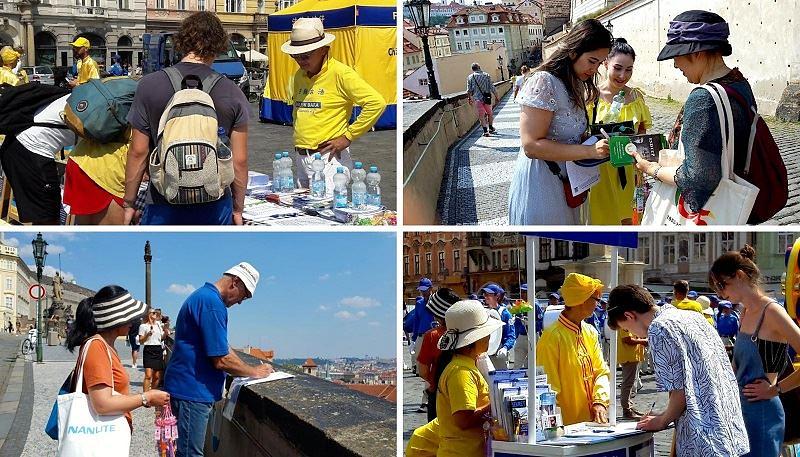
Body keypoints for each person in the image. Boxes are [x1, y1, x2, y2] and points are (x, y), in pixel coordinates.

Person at [628, 10, 759, 223]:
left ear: (696, 53)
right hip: (736, 203)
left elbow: (698, 177)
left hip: (706, 213)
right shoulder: (739, 83)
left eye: (676, 55)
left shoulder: (703, 99)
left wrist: (651, 169)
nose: (675, 64)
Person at [125, 12, 250, 225]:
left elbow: (138, 152)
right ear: (219, 44)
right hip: (215, 203)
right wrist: (238, 208)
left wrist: (129, 203)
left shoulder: (149, 85)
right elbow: (239, 161)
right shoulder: (232, 91)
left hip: (163, 200)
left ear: (182, 41)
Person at [606, 284, 749, 456]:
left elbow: (680, 389)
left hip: (702, 437)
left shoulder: (658, 328)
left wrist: (663, 420)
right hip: (729, 428)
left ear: (629, 315)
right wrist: (665, 413)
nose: (634, 334)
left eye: (627, 328)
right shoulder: (692, 317)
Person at [508, 19, 612, 225]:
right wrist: (590, 151)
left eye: (599, 63)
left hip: (567, 181)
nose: (595, 69)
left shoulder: (574, 82)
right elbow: (530, 146)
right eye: (592, 61)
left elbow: (568, 131)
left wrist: (591, 139)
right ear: (573, 52)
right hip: (542, 183)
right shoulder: (544, 81)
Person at [163, 262, 272, 457]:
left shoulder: (204, 297)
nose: (240, 302)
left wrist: (246, 366)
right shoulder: (213, 304)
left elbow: (221, 346)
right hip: (192, 392)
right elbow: (221, 359)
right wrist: (255, 372)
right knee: (190, 454)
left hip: (187, 388)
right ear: (235, 282)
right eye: (244, 296)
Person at [710, 245, 800, 455]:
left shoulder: (772, 311)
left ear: (740, 276)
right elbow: (738, 365)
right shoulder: (744, 311)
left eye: (722, 285)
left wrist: (775, 389)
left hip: (763, 414)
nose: (720, 292)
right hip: (741, 412)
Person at [280, 17, 385, 193]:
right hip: (301, 156)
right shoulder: (300, 75)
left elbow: (376, 103)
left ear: (323, 50)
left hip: (328, 158)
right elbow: (299, 110)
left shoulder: (341, 74)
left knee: (328, 214)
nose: (300, 60)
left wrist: (348, 136)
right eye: (295, 55)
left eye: (305, 55)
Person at [64, 285, 171, 453]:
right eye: (128, 317)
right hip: (98, 439)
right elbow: (102, 404)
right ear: (115, 319)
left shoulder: (105, 347)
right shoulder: (97, 347)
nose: (132, 322)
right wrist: (146, 397)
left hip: (106, 434)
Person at [406, 300, 503, 457]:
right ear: (472, 341)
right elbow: (463, 419)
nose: (489, 336)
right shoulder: (462, 371)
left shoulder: (465, 365)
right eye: (485, 333)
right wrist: (497, 403)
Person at [586, 38, 652, 225]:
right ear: (605, 63)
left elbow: (642, 134)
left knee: (629, 222)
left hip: (630, 171)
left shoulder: (636, 97)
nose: (623, 75)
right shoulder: (591, 97)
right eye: (618, 68)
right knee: (604, 222)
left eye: (629, 69)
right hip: (600, 173)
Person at [536, 273, 610, 426]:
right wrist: (555, 426)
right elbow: (548, 387)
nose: (597, 304)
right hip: (567, 427)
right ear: (581, 300)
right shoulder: (551, 337)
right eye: (595, 299)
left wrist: (600, 401)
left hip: (595, 424)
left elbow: (601, 371)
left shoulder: (590, 332)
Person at [0, 93, 74, 224]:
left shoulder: (78, 96)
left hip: (16, 142)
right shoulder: (100, 111)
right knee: (47, 213)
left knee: (45, 212)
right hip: (29, 149)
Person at [64, 131, 131, 225]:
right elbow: (139, 151)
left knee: (87, 234)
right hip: (110, 168)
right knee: (113, 236)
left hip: (80, 158)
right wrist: (130, 203)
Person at [417, 288, 461, 423]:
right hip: (462, 391)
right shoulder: (466, 333)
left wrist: (433, 380)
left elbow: (422, 370)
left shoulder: (432, 335)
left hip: (438, 392)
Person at [403, 277, 435, 412]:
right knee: (423, 370)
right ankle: (429, 395)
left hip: (433, 337)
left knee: (430, 369)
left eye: (425, 290)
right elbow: (416, 321)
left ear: (430, 289)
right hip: (422, 337)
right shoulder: (420, 303)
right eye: (421, 290)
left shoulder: (436, 302)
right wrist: (413, 339)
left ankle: (426, 401)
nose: (422, 293)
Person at [481, 284, 515, 369]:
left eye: (489, 294)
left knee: (501, 380)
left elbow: (511, 334)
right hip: (484, 352)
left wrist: (505, 347)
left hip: (499, 353)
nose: (486, 297)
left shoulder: (504, 313)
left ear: (497, 296)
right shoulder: (483, 311)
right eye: (485, 294)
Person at [617, 326, 648, 419]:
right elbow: (627, 339)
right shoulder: (624, 324)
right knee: (628, 383)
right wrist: (643, 341)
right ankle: (627, 410)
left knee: (630, 382)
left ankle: (629, 407)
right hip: (629, 356)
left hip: (631, 356)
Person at [466, 63, 499, 137]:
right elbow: (492, 87)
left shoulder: (470, 77)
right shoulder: (486, 75)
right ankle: (490, 127)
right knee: (490, 113)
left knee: (481, 116)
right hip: (487, 98)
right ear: (479, 67)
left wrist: (469, 98)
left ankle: (485, 131)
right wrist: (496, 96)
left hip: (477, 99)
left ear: (472, 69)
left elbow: (468, 90)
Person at [139, 308, 166, 391]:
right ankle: (145, 396)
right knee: (148, 375)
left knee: (157, 376)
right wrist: (147, 335)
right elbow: (141, 341)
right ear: (149, 314)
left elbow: (161, 338)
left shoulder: (158, 325)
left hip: (158, 349)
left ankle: (152, 393)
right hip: (149, 349)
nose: (156, 314)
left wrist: (165, 332)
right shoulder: (143, 326)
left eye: (156, 313)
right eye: (154, 313)